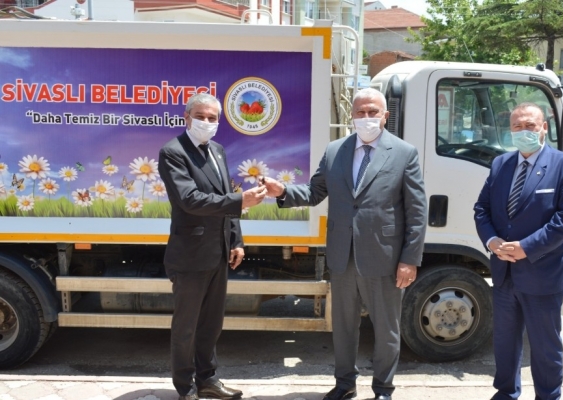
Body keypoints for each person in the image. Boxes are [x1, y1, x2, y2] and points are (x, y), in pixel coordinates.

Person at [262, 88, 427, 400]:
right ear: (352, 115)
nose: (366, 118)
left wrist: (410, 259)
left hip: (384, 257)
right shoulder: (336, 150)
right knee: (343, 327)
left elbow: (417, 211)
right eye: (360, 112)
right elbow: (315, 192)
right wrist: (283, 191)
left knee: (386, 329)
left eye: (372, 112)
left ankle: (383, 388)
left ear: (385, 116)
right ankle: (345, 384)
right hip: (342, 255)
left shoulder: (404, 153)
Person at [158, 93, 267, 400]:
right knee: (187, 327)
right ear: (186, 117)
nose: (206, 122)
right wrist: (241, 201)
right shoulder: (173, 152)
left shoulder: (217, 150)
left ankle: (208, 379)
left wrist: (236, 239)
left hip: (218, 252)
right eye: (200, 116)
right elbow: (189, 200)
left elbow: (223, 194)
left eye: (212, 118)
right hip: (190, 255)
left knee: (211, 324)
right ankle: (186, 388)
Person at [473, 102, 563, 400]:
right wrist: (492, 241)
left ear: (544, 127)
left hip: (543, 272)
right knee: (505, 342)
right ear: (510, 131)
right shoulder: (501, 164)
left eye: (530, 125)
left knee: (545, 345)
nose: (524, 131)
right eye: (517, 126)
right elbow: (482, 208)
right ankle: (506, 393)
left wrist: (526, 248)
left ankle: (548, 396)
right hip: (504, 271)